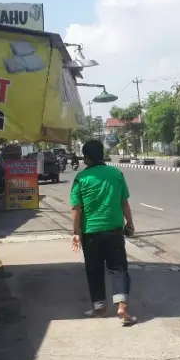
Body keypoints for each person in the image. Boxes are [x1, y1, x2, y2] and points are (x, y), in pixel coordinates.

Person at [70, 139, 137, 326]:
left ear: (87, 157)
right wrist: (129, 223)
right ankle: (122, 306)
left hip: (91, 232)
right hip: (114, 230)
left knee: (94, 270)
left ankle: (99, 307)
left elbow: (76, 209)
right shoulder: (116, 174)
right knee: (119, 269)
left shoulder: (81, 178)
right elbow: (124, 202)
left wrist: (76, 232)